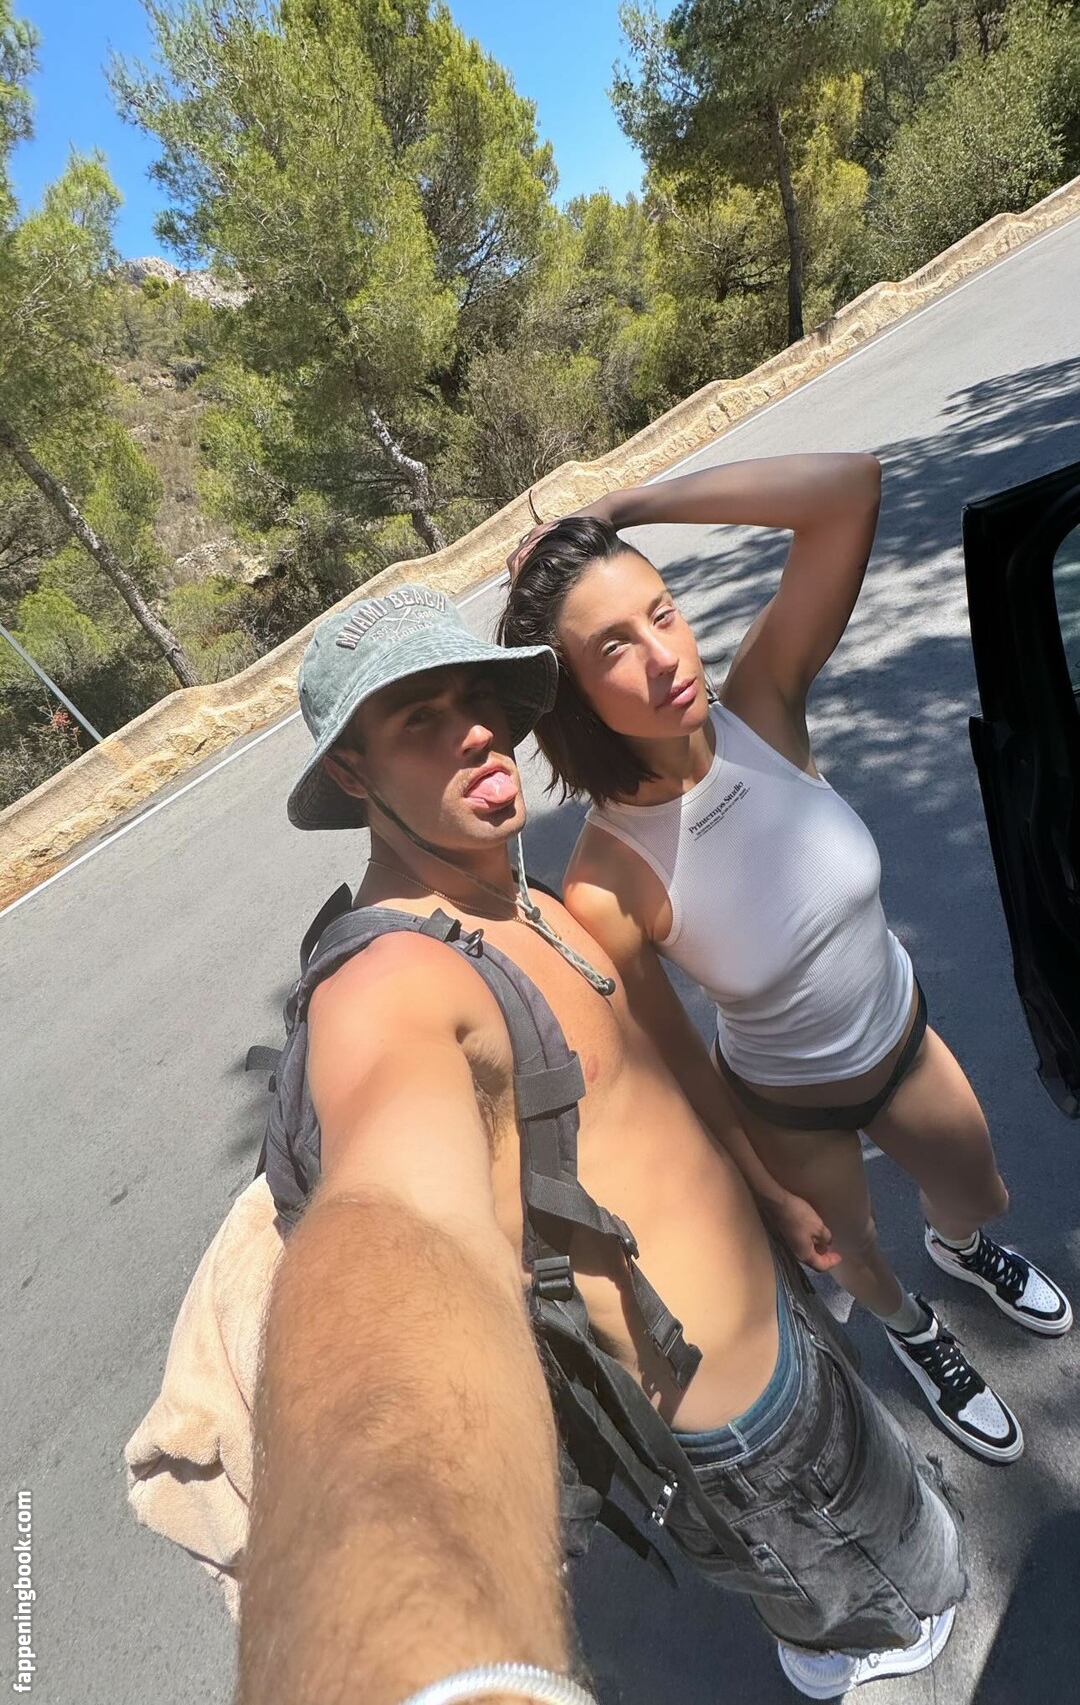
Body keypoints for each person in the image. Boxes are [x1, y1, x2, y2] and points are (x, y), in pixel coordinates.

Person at [242, 581, 965, 1705]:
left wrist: (773, 1195)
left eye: (477, 700)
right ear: (351, 772)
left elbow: (659, 1080)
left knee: (899, 1529)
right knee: (908, 1603)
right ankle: (846, 1652)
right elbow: (400, 1236)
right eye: (419, 720)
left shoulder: (511, 891)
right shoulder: (388, 987)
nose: (475, 732)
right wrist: (423, 1662)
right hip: (747, 1433)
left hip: (786, 1327)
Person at [499, 452, 1073, 1472]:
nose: (664, 655)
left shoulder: (761, 707)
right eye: (614, 647)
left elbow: (848, 491)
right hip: (788, 1105)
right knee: (853, 1255)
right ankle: (915, 1335)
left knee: (979, 1192)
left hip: (903, 1041)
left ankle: (960, 1248)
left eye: (664, 612)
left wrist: (625, 503)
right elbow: (673, 1057)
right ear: (573, 696)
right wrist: (767, 1188)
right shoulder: (607, 878)